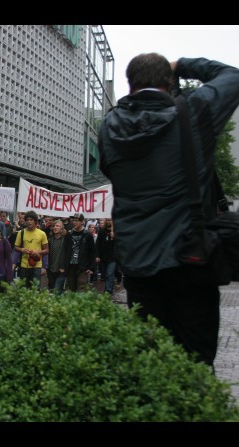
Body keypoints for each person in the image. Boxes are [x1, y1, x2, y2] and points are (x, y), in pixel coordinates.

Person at [98, 53, 239, 367]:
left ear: (130, 84)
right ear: (169, 82)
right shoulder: (194, 111)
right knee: (196, 364)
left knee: (152, 364)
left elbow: (111, 170)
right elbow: (232, 76)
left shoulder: (109, 126)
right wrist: (184, 65)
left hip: (136, 264)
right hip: (189, 259)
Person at [12, 210, 49, 290]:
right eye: (27, 220)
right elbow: (16, 247)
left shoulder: (42, 234)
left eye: (31, 220)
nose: (29, 222)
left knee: (35, 289)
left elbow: (46, 250)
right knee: (23, 289)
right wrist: (22, 250)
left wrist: (38, 252)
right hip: (24, 265)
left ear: (35, 221)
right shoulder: (21, 233)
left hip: (37, 265)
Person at [63, 213, 95, 292]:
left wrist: (91, 267)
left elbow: (92, 252)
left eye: (76, 221)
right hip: (70, 266)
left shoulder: (88, 235)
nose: (74, 222)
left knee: (81, 289)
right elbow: (65, 250)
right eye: (73, 220)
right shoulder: (69, 234)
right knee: (71, 288)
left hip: (83, 267)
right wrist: (63, 265)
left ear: (82, 222)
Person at [46, 219, 68, 295]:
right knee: (52, 290)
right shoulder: (49, 240)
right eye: (54, 226)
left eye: (57, 226)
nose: (55, 227)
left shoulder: (66, 240)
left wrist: (64, 266)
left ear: (62, 228)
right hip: (50, 269)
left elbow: (67, 254)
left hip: (61, 270)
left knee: (57, 290)